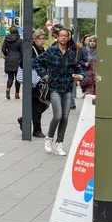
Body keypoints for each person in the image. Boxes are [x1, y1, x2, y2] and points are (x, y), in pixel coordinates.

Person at [33, 28, 84, 156]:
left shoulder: (71, 53)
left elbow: (77, 68)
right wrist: (44, 75)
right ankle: (49, 138)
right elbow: (36, 61)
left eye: (65, 36)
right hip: (54, 87)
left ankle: (59, 144)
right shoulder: (51, 51)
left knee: (65, 118)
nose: (63, 38)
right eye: (61, 36)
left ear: (68, 38)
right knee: (58, 116)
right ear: (58, 37)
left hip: (67, 88)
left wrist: (81, 76)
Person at [17, 29, 49, 138]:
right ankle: (37, 129)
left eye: (43, 39)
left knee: (43, 103)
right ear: (34, 39)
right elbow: (23, 62)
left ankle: (24, 119)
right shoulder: (30, 50)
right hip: (32, 81)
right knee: (37, 105)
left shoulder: (42, 49)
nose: (42, 41)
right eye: (40, 39)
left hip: (39, 80)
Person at [1, 26, 23, 99]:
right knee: (18, 78)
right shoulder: (20, 40)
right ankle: (17, 93)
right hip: (18, 60)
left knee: (10, 77)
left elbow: (3, 49)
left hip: (9, 59)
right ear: (17, 32)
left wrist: (7, 55)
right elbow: (22, 51)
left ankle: (8, 88)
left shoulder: (6, 39)